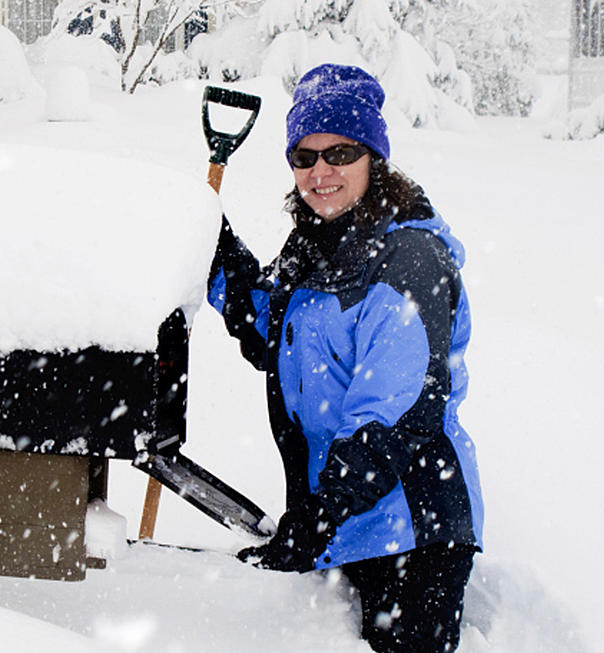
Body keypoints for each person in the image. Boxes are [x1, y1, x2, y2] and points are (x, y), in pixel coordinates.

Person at [207, 63, 484, 653]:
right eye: (304, 157)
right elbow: (270, 332)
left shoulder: (408, 257)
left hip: (412, 529)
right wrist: (215, 250)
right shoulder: (313, 246)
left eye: (339, 152)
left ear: (373, 158)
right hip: (342, 523)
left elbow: (396, 404)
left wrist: (321, 513)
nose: (320, 171)